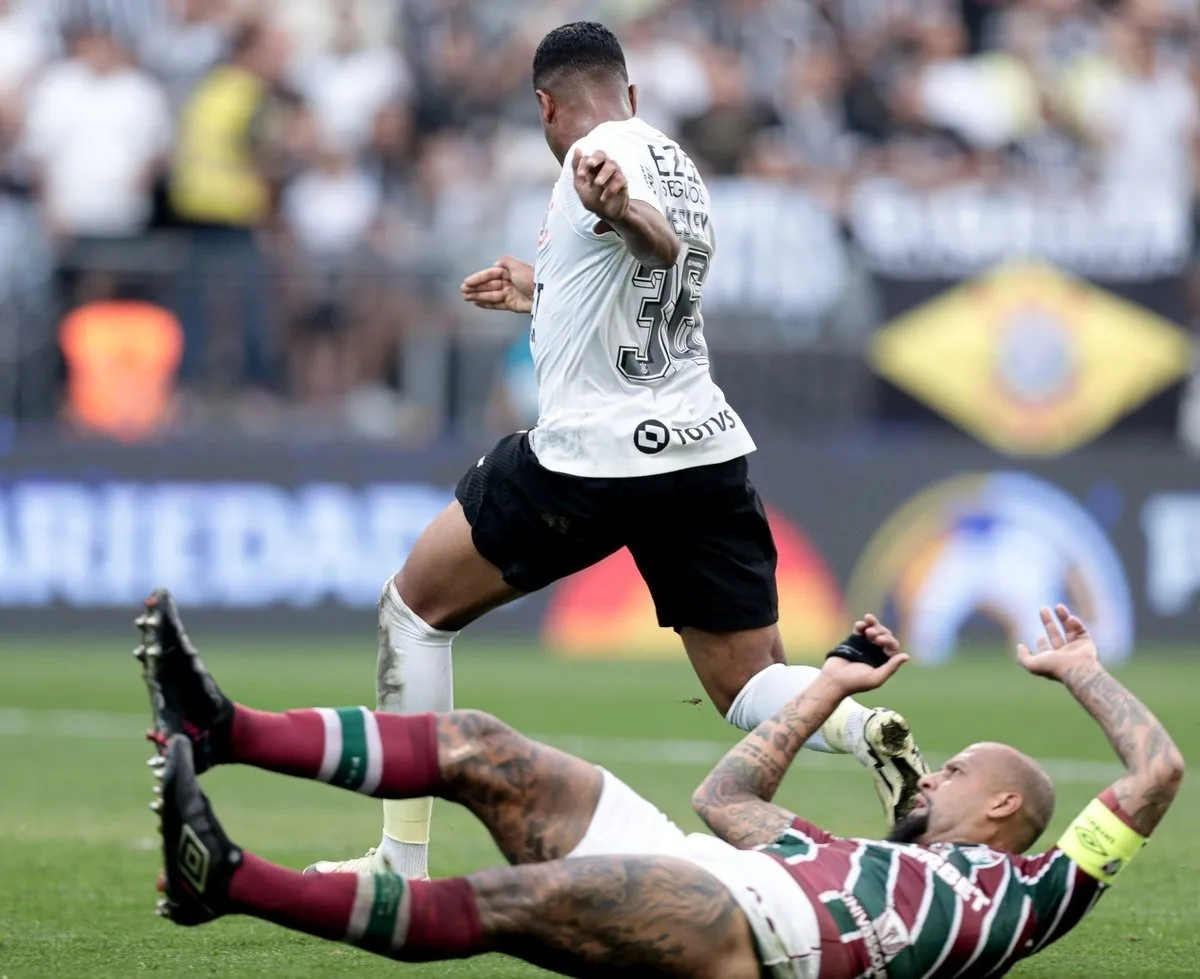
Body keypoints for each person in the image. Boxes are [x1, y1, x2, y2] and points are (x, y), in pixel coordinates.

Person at [309, 19, 928, 881]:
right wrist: (541, 293)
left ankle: (400, 862)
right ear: (632, 92)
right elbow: (649, 288)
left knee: (413, 613)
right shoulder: (682, 161)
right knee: (750, 688)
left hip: (593, 461)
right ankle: (864, 728)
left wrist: (619, 207)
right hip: (703, 452)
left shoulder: (592, 158)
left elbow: (651, 241)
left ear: (544, 106)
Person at [140, 591, 1182, 978]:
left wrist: (1082, 671)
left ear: (1003, 808)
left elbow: (1160, 770)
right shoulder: (851, 851)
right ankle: (221, 729)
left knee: (508, 902)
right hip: (707, 868)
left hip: (754, 938)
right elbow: (724, 799)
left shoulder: (1033, 891)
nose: (929, 772)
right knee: (479, 743)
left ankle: (225, 881)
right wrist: (826, 685)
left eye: (954, 770)